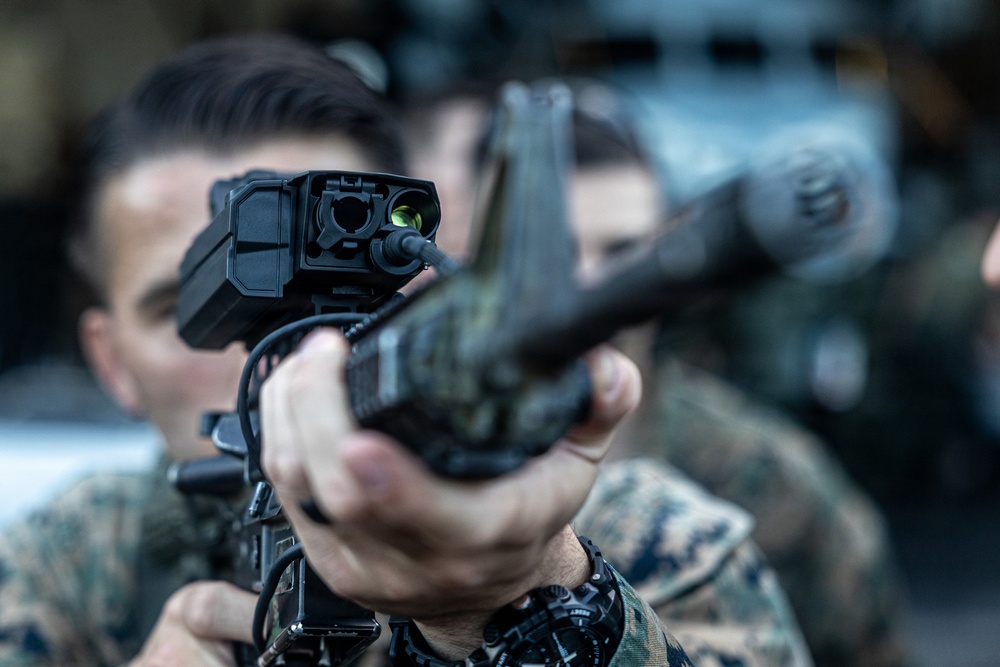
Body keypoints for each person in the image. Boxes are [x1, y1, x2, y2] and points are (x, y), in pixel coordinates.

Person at [0, 35, 809, 666]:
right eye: (187, 314)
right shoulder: (65, 567)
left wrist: (530, 601)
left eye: (349, 301)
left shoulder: (657, 542)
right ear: (112, 363)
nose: (298, 365)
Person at [407, 79, 910, 667]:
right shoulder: (392, 473)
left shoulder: (777, 486)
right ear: (464, 253)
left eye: (623, 253)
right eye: (553, 254)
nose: (592, 286)